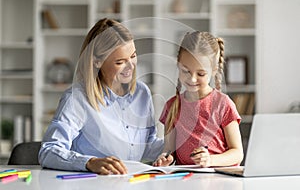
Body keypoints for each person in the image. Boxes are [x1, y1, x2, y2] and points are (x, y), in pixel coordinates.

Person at [38, 18, 163, 175]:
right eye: (120, 62)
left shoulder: (142, 93)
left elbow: (146, 146)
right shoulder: (77, 98)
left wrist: (171, 149)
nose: (130, 66)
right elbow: (49, 151)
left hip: (130, 182)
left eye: (133, 56)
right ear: (97, 61)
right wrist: (90, 163)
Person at [153, 31, 243, 167]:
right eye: (185, 71)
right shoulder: (172, 106)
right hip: (186, 178)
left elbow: (237, 153)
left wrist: (210, 160)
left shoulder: (223, 104)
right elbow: (169, 150)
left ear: (214, 70)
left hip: (220, 179)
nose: (192, 78)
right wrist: (165, 159)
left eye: (200, 73)